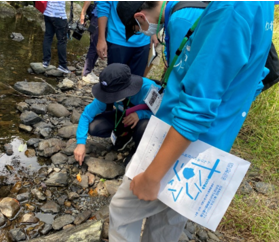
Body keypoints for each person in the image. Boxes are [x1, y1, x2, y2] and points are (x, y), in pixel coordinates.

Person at [109, 2, 274, 241]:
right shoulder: (262, 5)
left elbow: (197, 102)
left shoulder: (230, 8)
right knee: (168, 223)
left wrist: (153, 176)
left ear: (140, 16)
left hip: (180, 137)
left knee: (122, 211)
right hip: (211, 142)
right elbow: (255, 72)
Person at [74, 63, 159, 164]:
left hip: (146, 119)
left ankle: (137, 148)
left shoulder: (149, 89)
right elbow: (86, 115)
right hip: (123, 116)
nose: (110, 98)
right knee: (94, 127)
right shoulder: (108, 89)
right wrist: (80, 143)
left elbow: (164, 115)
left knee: (143, 126)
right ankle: (125, 135)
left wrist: (140, 114)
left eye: (113, 95)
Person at [96, 1, 151, 76]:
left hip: (143, 41)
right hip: (118, 38)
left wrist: (153, 33)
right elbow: (103, 5)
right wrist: (101, 39)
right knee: (115, 79)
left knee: (136, 81)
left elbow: (153, 6)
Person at [41, 1, 71, 73]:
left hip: (48, 13)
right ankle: (62, 65)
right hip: (59, 15)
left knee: (48, 37)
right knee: (62, 40)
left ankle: (46, 61)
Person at [80, 1, 100, 82]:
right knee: (94, 45)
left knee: (98, 46)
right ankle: (86, 73)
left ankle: (90, 70)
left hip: (102, 19)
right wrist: (83, 13)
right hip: (96, 18)